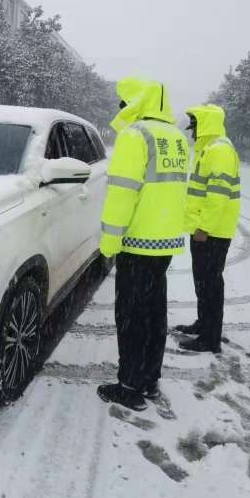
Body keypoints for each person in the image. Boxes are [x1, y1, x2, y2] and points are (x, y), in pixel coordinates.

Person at [97, 77, 189, 412]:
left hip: (137, 242)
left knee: (131, 316)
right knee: (153, 312)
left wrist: (110, 240)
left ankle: (129, 387)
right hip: (164, 241)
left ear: (136, 102)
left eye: (124, 102)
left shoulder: (135, 135)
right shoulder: (176, 137)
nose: (121, 108)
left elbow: (122, 192)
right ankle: (149, 378)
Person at [176, 104, 241, 354]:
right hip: (204, 229)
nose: (192, 133)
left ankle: (210, 339)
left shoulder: (219, 151)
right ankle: (204, 324)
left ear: (205, 126)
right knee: (203, 282)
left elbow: (218, 195)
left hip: (212, 232)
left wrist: (204, 227)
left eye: (195, 128)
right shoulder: (209, 149)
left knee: (210, 284)